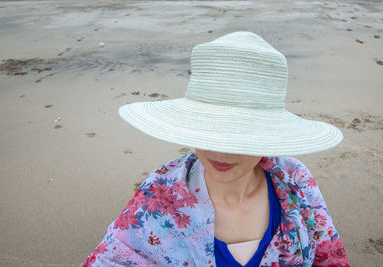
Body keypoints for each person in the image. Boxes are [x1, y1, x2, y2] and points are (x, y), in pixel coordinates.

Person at [81, 32, 349, 266]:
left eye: (241, 136)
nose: (221, 152)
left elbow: (330, 258)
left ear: (270, 135)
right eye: (209, 131)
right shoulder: (159, 193)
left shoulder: (295, 181)